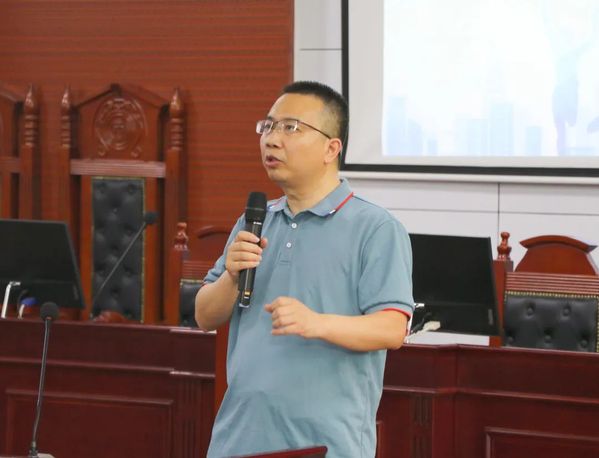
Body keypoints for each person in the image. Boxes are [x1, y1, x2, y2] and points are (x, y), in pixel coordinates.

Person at [195, 81, 413, 458]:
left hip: (326, 445)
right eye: (268, 126)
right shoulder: (255, 221)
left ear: (331, 148)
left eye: (290, 127)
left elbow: (392, 328)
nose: (272, 139)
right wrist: (231, 277)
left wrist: (317, 323)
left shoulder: (375, 228)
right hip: (238, 439)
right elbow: (204, 316)